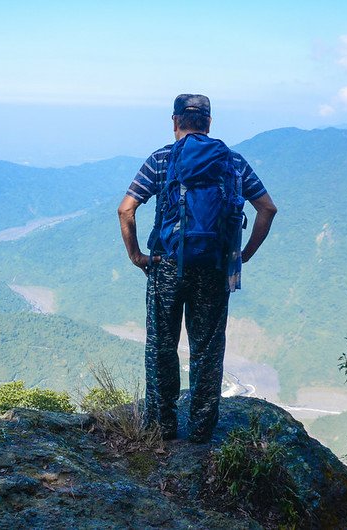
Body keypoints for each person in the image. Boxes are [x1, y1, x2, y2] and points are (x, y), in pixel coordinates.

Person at [117, 94, 277, 443]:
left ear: (175, 121)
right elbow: (267, 208)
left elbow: (126, 209)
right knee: (207, 349)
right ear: (209, 123)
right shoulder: (233, 162)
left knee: (162, 346)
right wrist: (244, 254)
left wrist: (137, 256)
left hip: (166, 267)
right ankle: (202, 431)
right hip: (215, 269)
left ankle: (162, 427)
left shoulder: (160, 159)